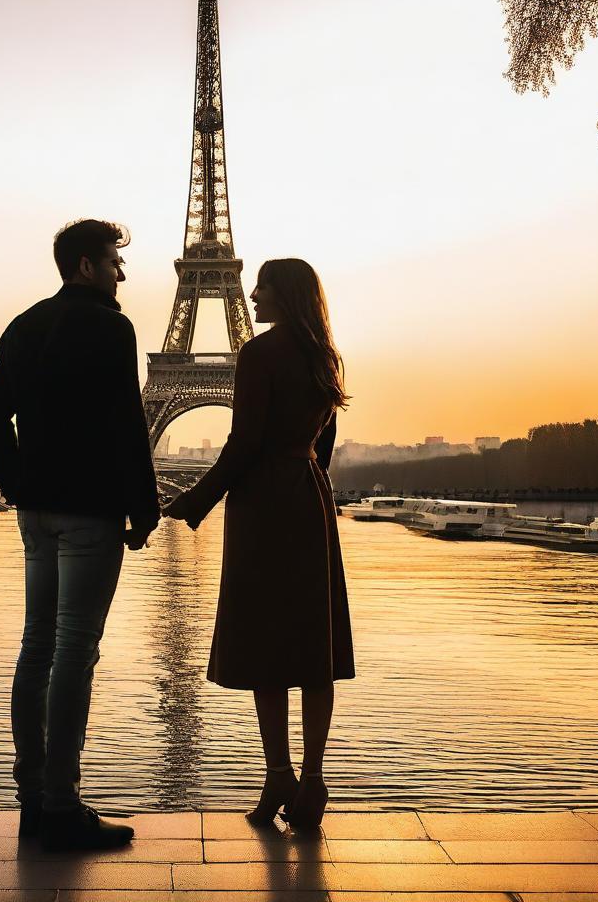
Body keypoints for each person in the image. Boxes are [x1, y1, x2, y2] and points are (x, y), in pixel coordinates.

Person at [0, 219, 160, 852]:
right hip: (92, 512)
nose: (121, 271)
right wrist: (146, 506)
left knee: (37, 648)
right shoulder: (112, 328)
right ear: (86, 265)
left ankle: (33, 801)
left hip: (38, 512)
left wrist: (19, 483)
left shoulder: (24, 324)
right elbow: (128, 423)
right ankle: (62, 806)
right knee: (76, 652)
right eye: (114, 261)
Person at [163, 258, 354, 829]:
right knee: (313, 646)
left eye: (262, 286)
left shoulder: (259, 354)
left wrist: (195, 502)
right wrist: (306, 479)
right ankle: (313, 780)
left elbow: (243, 443)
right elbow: (325, 442)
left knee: (266, 645)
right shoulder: (326, 355)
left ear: (283, 294)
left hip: (264, 506)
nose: (251, 293)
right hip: (309, 497)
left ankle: (277, 775)